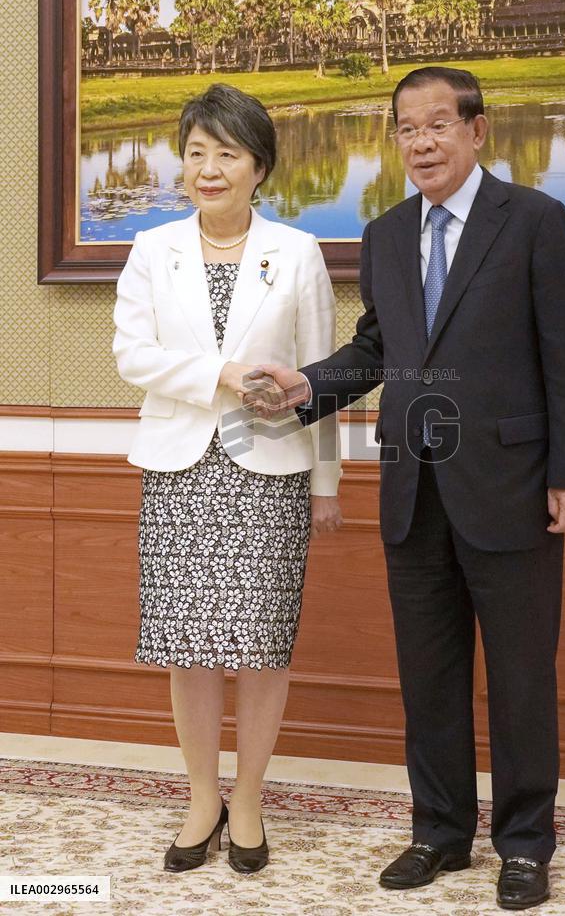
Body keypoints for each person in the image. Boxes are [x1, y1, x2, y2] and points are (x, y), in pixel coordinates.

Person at [244, 67, 565, 910]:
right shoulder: (384, 232)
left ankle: (522, 843)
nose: (422, 143)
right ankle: (438, 832)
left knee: (521, 675)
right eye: (406, 129)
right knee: (429, 674)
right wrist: (307, 387)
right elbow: (377, 349)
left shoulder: (537, 221)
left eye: (438, 124)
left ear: (478, 131)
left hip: (512, 486)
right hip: (411, 488)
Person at [112, 83, 342, 875]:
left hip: (269, 469)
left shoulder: (298, 252)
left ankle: (249, 799)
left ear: (260, 167)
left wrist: (327, 486)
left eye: (227, 154)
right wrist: (224, 372)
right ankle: (201, 796)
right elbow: (132, 356)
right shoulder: (153, 249)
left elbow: (323, 378)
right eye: (196, 151)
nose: (208, 169)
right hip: (179, 468)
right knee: (190, 647)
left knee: (264, 644)